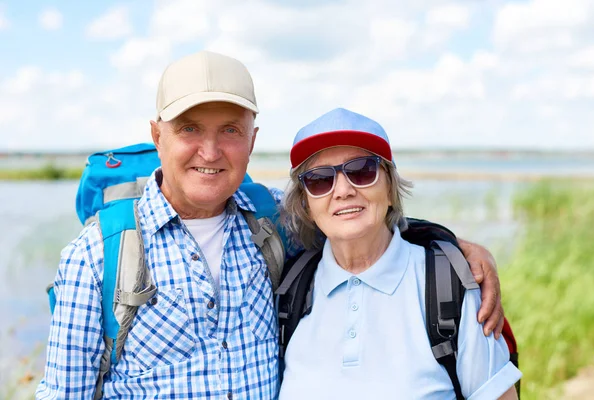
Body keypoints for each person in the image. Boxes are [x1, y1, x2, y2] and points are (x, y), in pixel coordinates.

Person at [36, 51, 506, 399]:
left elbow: (354, 217)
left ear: (252, 139)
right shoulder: (97, 255)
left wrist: (447, 244)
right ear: (157, 135)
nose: (210, 151)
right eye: (189, 128)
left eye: (230, 130)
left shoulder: (271, 221)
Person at [278, 108, 522, 399]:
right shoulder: (290, 290)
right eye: (319, 179)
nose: (343, 190)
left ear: (391, 188)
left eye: (361, 170)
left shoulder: (448, 286)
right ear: (305, 204)